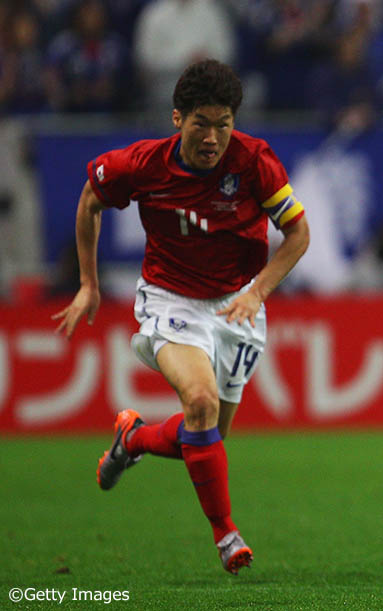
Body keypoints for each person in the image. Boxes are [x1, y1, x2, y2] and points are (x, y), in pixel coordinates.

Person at [52, 59, 310, 574]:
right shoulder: (141, 165)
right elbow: (90, 200)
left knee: (207, 433)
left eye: (223, 125)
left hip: (238, 304)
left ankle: (133, 438)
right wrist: (88, 284)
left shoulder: (254, 160)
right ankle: (226, 535)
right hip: (171, 300)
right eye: (201, 124)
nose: (213, 138)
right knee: (200, 402)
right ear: (177, 119)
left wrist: (258, 292)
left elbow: (298, 233)